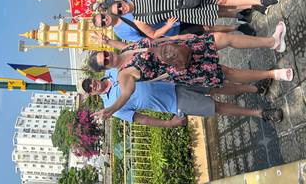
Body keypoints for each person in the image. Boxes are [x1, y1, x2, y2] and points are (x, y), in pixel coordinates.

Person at [88, 26, 291, 120]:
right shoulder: (124, 75)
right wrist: (111, 109)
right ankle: (274, 74)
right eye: (105, 62)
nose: (108, 58)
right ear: (106, 69)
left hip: (183, 46)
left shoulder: (124, 50)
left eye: (105, 55)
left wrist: (182, 36)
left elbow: (154, 42)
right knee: (226, 73)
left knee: (223, 38)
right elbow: (126, 94)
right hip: (184, 68)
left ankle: (272, 42)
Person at [80, 70, 283, 126]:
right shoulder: (110, 108)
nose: (93, 85)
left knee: (216, 85)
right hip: (173, 102)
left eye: (90, 81)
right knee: (216, 107)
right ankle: (260, 113)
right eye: (90, 88)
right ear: (91, 93)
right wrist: (169, 124)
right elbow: (141, 118)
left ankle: (254, 89)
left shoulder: (113, 72)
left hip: (174, 79)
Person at [106, 0, 279, 38]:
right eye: (120, 11)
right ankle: (250, 9)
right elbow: (152, 35)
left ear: (122, 0)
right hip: (184, 13)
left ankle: (260, 1)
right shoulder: (138, 20)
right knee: (216, 12)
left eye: (120, 5)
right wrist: (167, 26)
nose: (122, 8)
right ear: (123, 14)